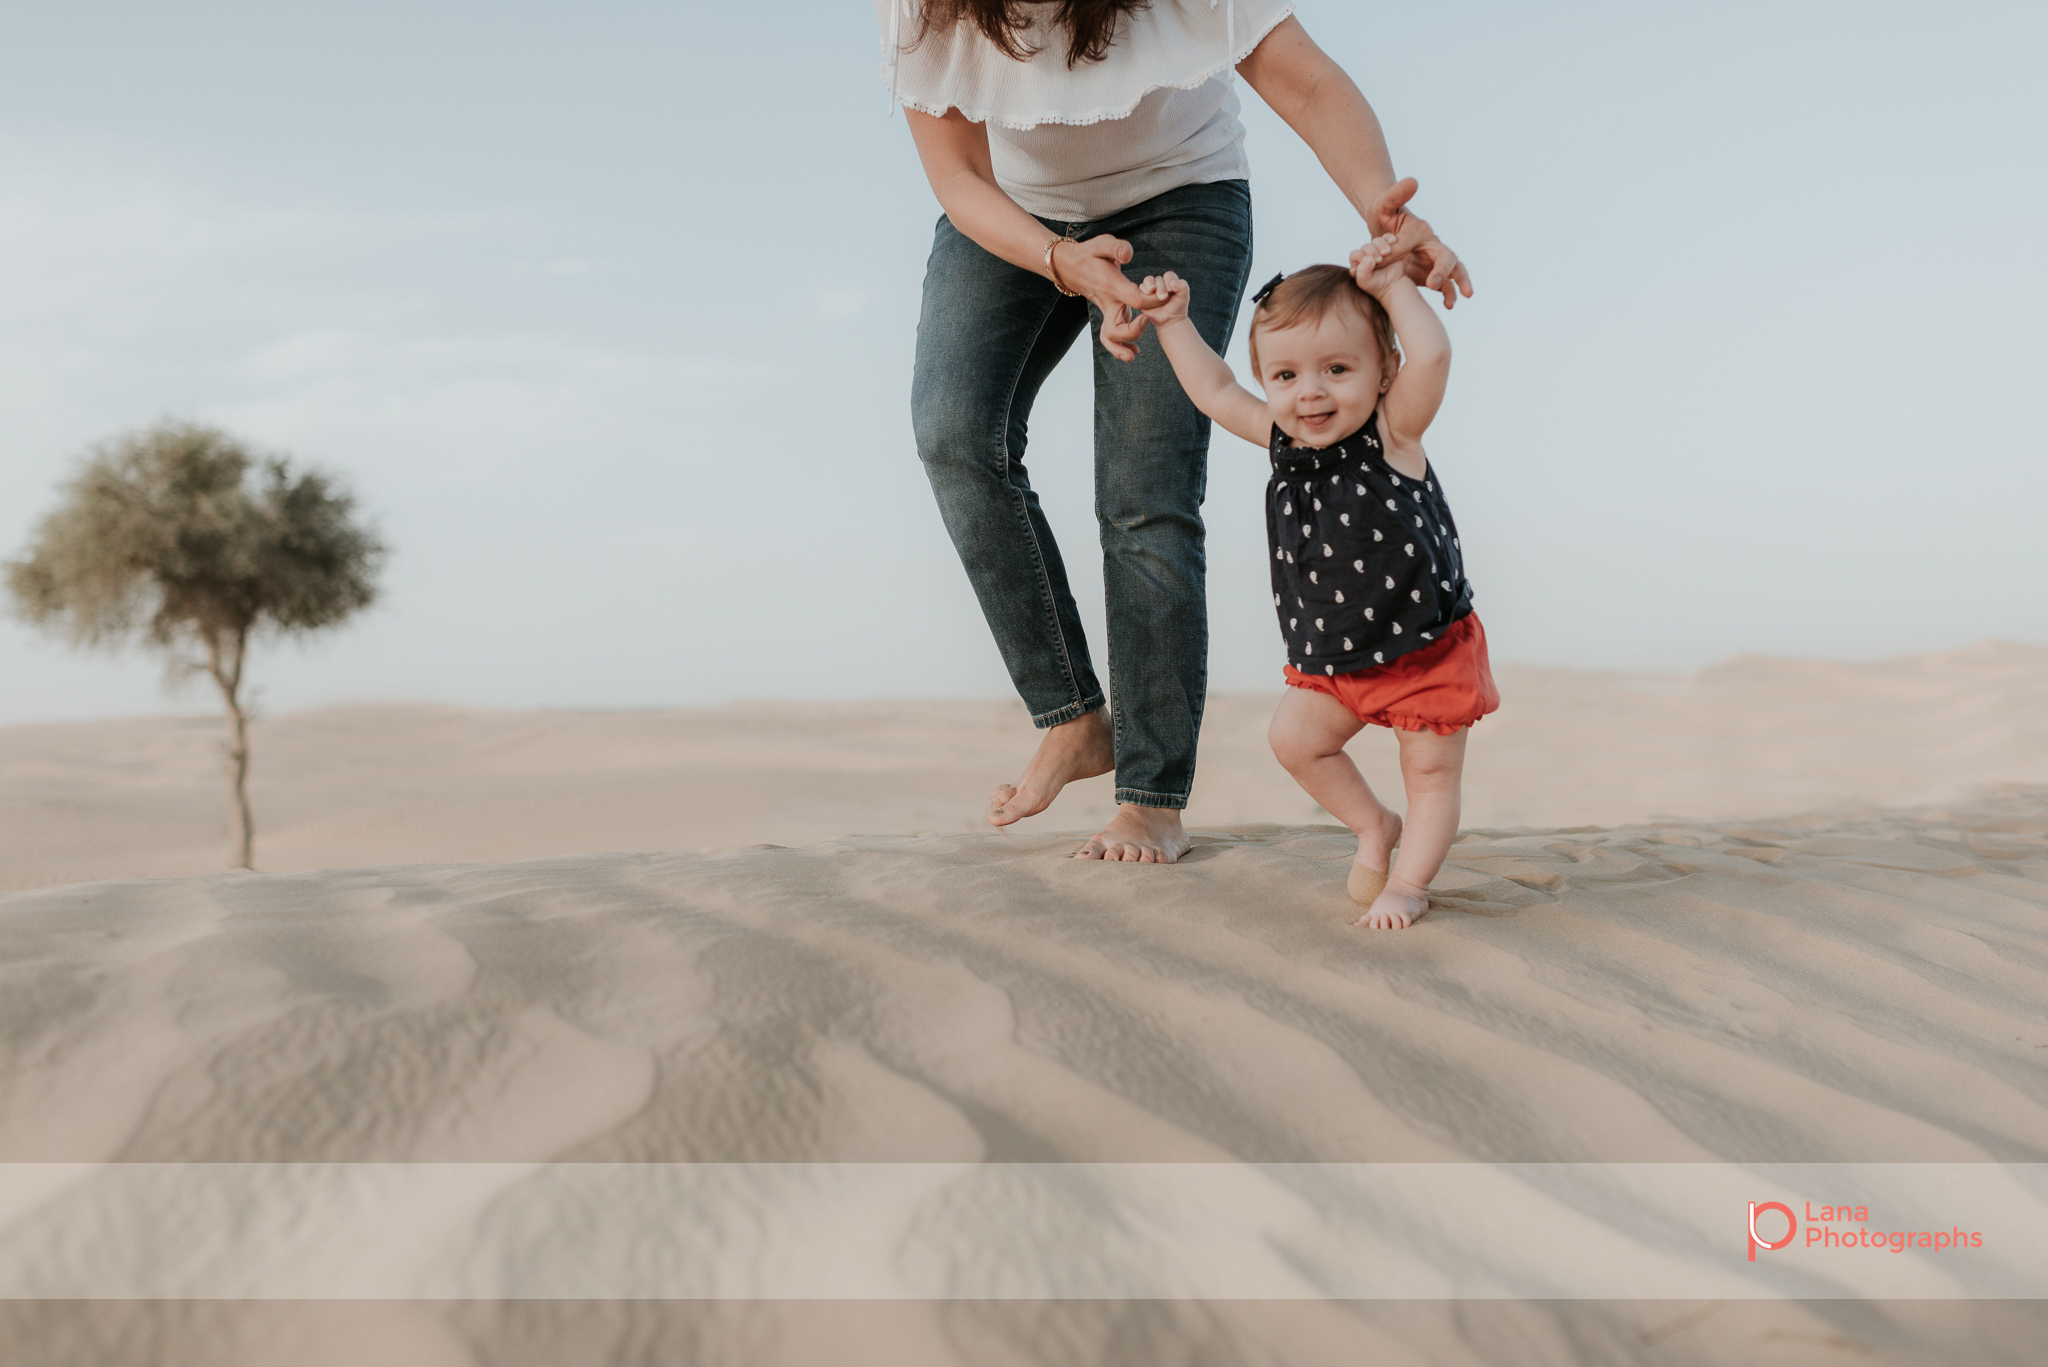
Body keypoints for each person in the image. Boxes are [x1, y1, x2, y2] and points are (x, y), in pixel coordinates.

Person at [883, 0, 1472, 863]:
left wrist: (1385, 220)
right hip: (1013, 213)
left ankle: (1151, 797)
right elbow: (958, 175)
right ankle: (1076, 719)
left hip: (1180, 197)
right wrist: (1059, 260)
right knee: (952, 432)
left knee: (1143, 491)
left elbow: (1304, 83)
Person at [1130, 243, 1498, 927]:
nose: (1312, 391)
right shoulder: (1281, 439)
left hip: (1425, 651)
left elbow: (1435, 357)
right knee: (1295, 742)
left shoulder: (1395, 428)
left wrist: (1393, 290)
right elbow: (1213, 390)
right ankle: (1372, 826)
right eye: (1287, 374)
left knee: (1432, 776)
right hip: (1334, 662)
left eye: (1337, 368)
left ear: (1384, 371)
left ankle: (1411, 884)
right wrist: (1173, 322)